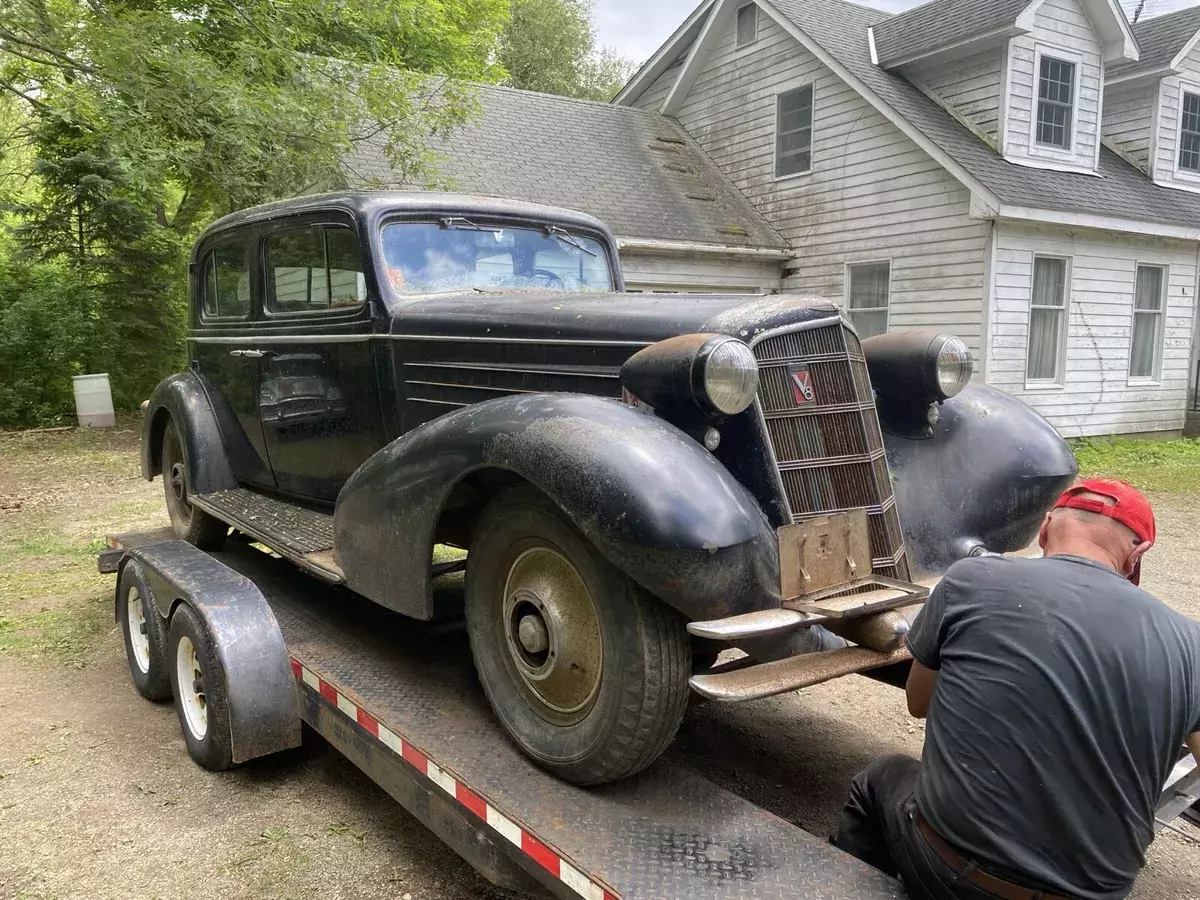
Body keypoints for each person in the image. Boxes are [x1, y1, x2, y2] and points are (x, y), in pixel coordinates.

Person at [833, 478, 1200, 900]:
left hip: (954, 877)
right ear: (1137, 555)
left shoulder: (970, 578)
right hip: (1093, 896)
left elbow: (919, 703)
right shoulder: (1190, 641)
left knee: (880, 777)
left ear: (1045, 528)